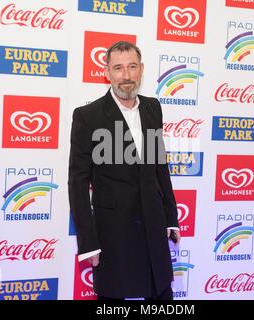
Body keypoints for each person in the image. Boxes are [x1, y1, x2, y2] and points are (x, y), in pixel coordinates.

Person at [68, 41, 181, 300]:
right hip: (112, 233)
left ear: (141, 69)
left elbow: (160, 166)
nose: (126, 76)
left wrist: (170, 216)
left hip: (153, 226)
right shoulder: (88, 115)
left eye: (132, 67)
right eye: (118, 68)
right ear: (107, 73)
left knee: (162, 295)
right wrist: (88, 242)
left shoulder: (153, 108)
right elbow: (77, 182)